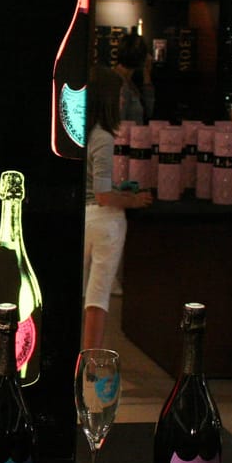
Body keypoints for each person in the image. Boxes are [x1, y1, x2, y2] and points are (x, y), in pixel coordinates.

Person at [82, 65, 152, 350]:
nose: (123, 101)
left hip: (82, 219)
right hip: (103, 222)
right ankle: (91, 358)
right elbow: (103, 195)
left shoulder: (80, 134)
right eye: (120, 95)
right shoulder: (103, 137)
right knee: (98, 297)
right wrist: (133, 200)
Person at [114, 32, 154, 124]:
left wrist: (146, 73)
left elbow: (148, 111)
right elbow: (119, 122)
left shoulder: (128, 82)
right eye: (146, 53)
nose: (150, 57)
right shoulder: (119, 84)